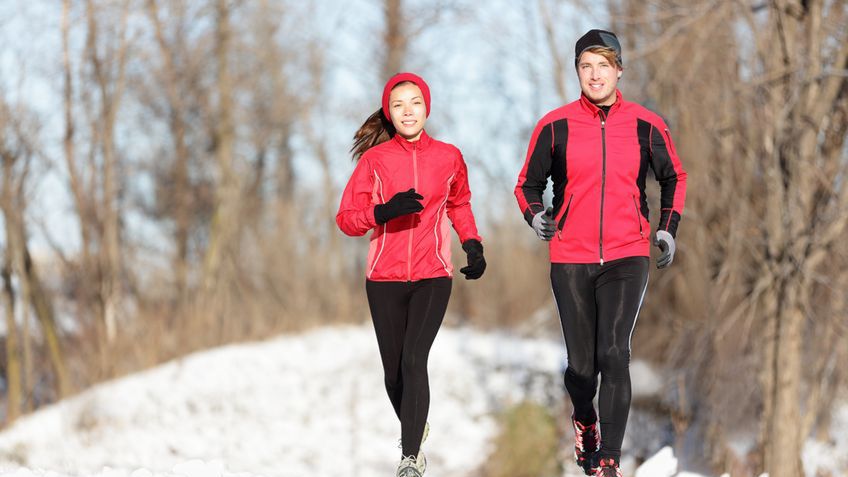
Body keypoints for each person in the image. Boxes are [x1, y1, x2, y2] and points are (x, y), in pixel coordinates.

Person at [514, 29, 687, 477]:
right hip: (570, 255)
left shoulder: (646, 125)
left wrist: (666, 230)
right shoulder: (555, 126)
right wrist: (536, 216)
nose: (595, 74)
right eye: (586, 66)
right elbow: (526, 185)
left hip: (628, 253)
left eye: (603, 65)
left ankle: (608, 460)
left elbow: (675, 178)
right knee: (582, 367)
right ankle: (585, 420)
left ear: (618, 70)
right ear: (578, 72)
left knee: (614, 353)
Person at [336, 72, 486, 477]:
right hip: (383, 278)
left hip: (433, 274)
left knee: (414, 357)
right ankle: (415, 424)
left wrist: (472, 243)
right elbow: (346, 219)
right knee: (393, 373)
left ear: (427, 107)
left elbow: (460, 204)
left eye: (415, 102)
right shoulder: (375, 161)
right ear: (389, 111)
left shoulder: (449, 156)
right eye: (399, 104)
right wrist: (383, 211)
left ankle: (410, 458)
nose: (408, 111)